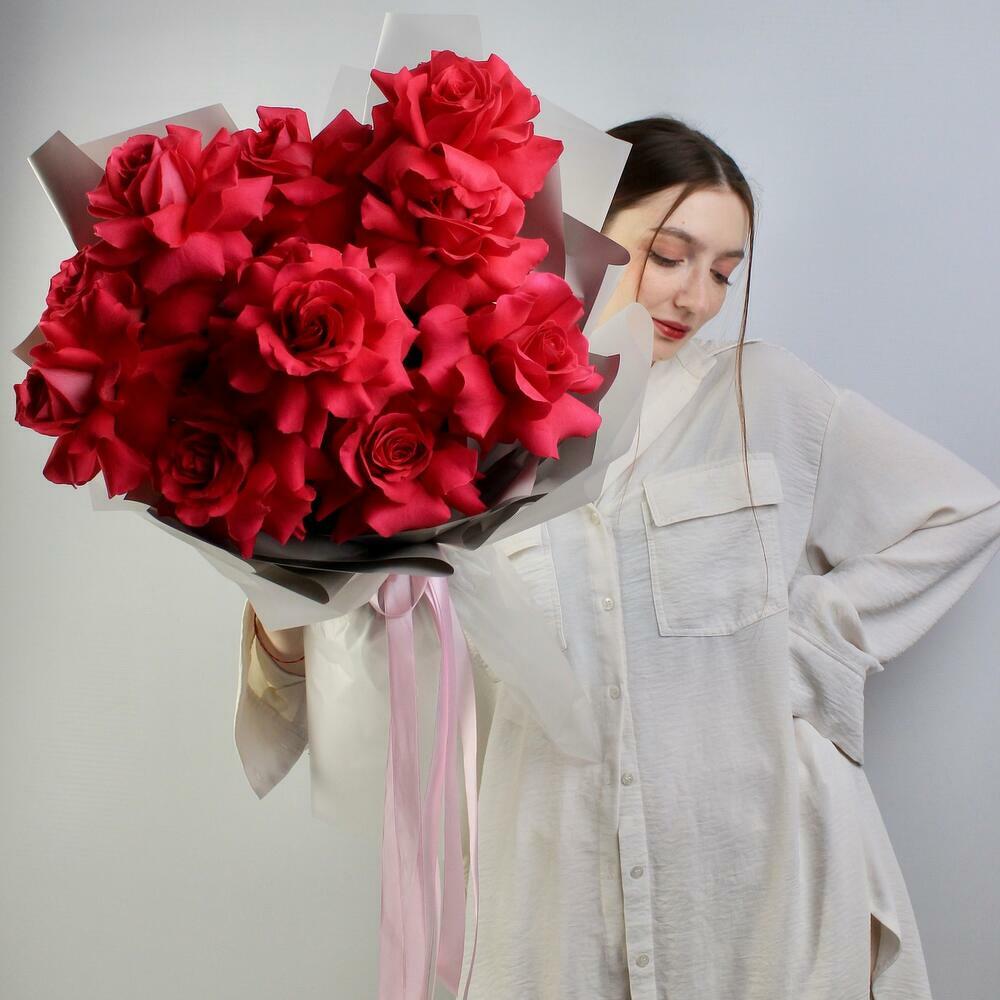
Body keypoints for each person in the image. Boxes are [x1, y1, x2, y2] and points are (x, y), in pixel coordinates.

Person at [239, 116, 1000, 999]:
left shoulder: (765, 396)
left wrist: (808, 647)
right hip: (552, 897)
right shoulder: (467, 436)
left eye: (724, 272)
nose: (696, 298)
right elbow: (391, 670)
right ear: (583, 229)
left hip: (757, 887)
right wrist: (286, 598)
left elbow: (958, 510)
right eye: (669, 256)